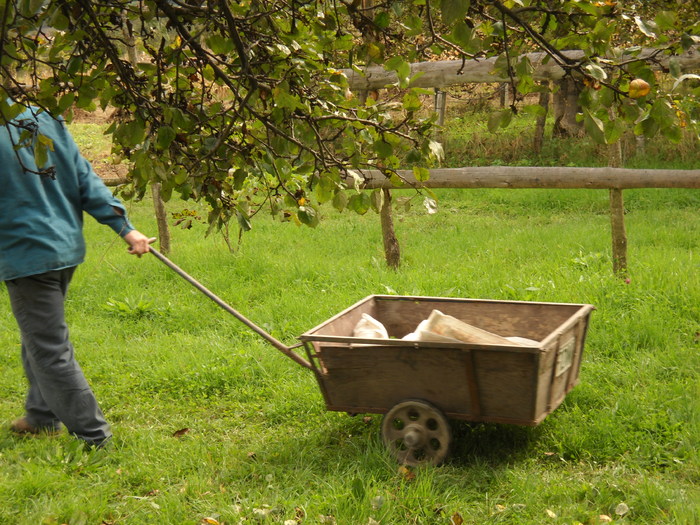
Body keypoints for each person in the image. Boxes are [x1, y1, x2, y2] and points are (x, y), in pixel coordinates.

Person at [0, 101, 152, 448]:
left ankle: (95, 437)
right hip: (63, 247)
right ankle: (41, 416)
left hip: (29, 253)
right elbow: (84, 176)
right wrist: (125, 228)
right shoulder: (38, 116)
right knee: (39, 332)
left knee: (49, 348)